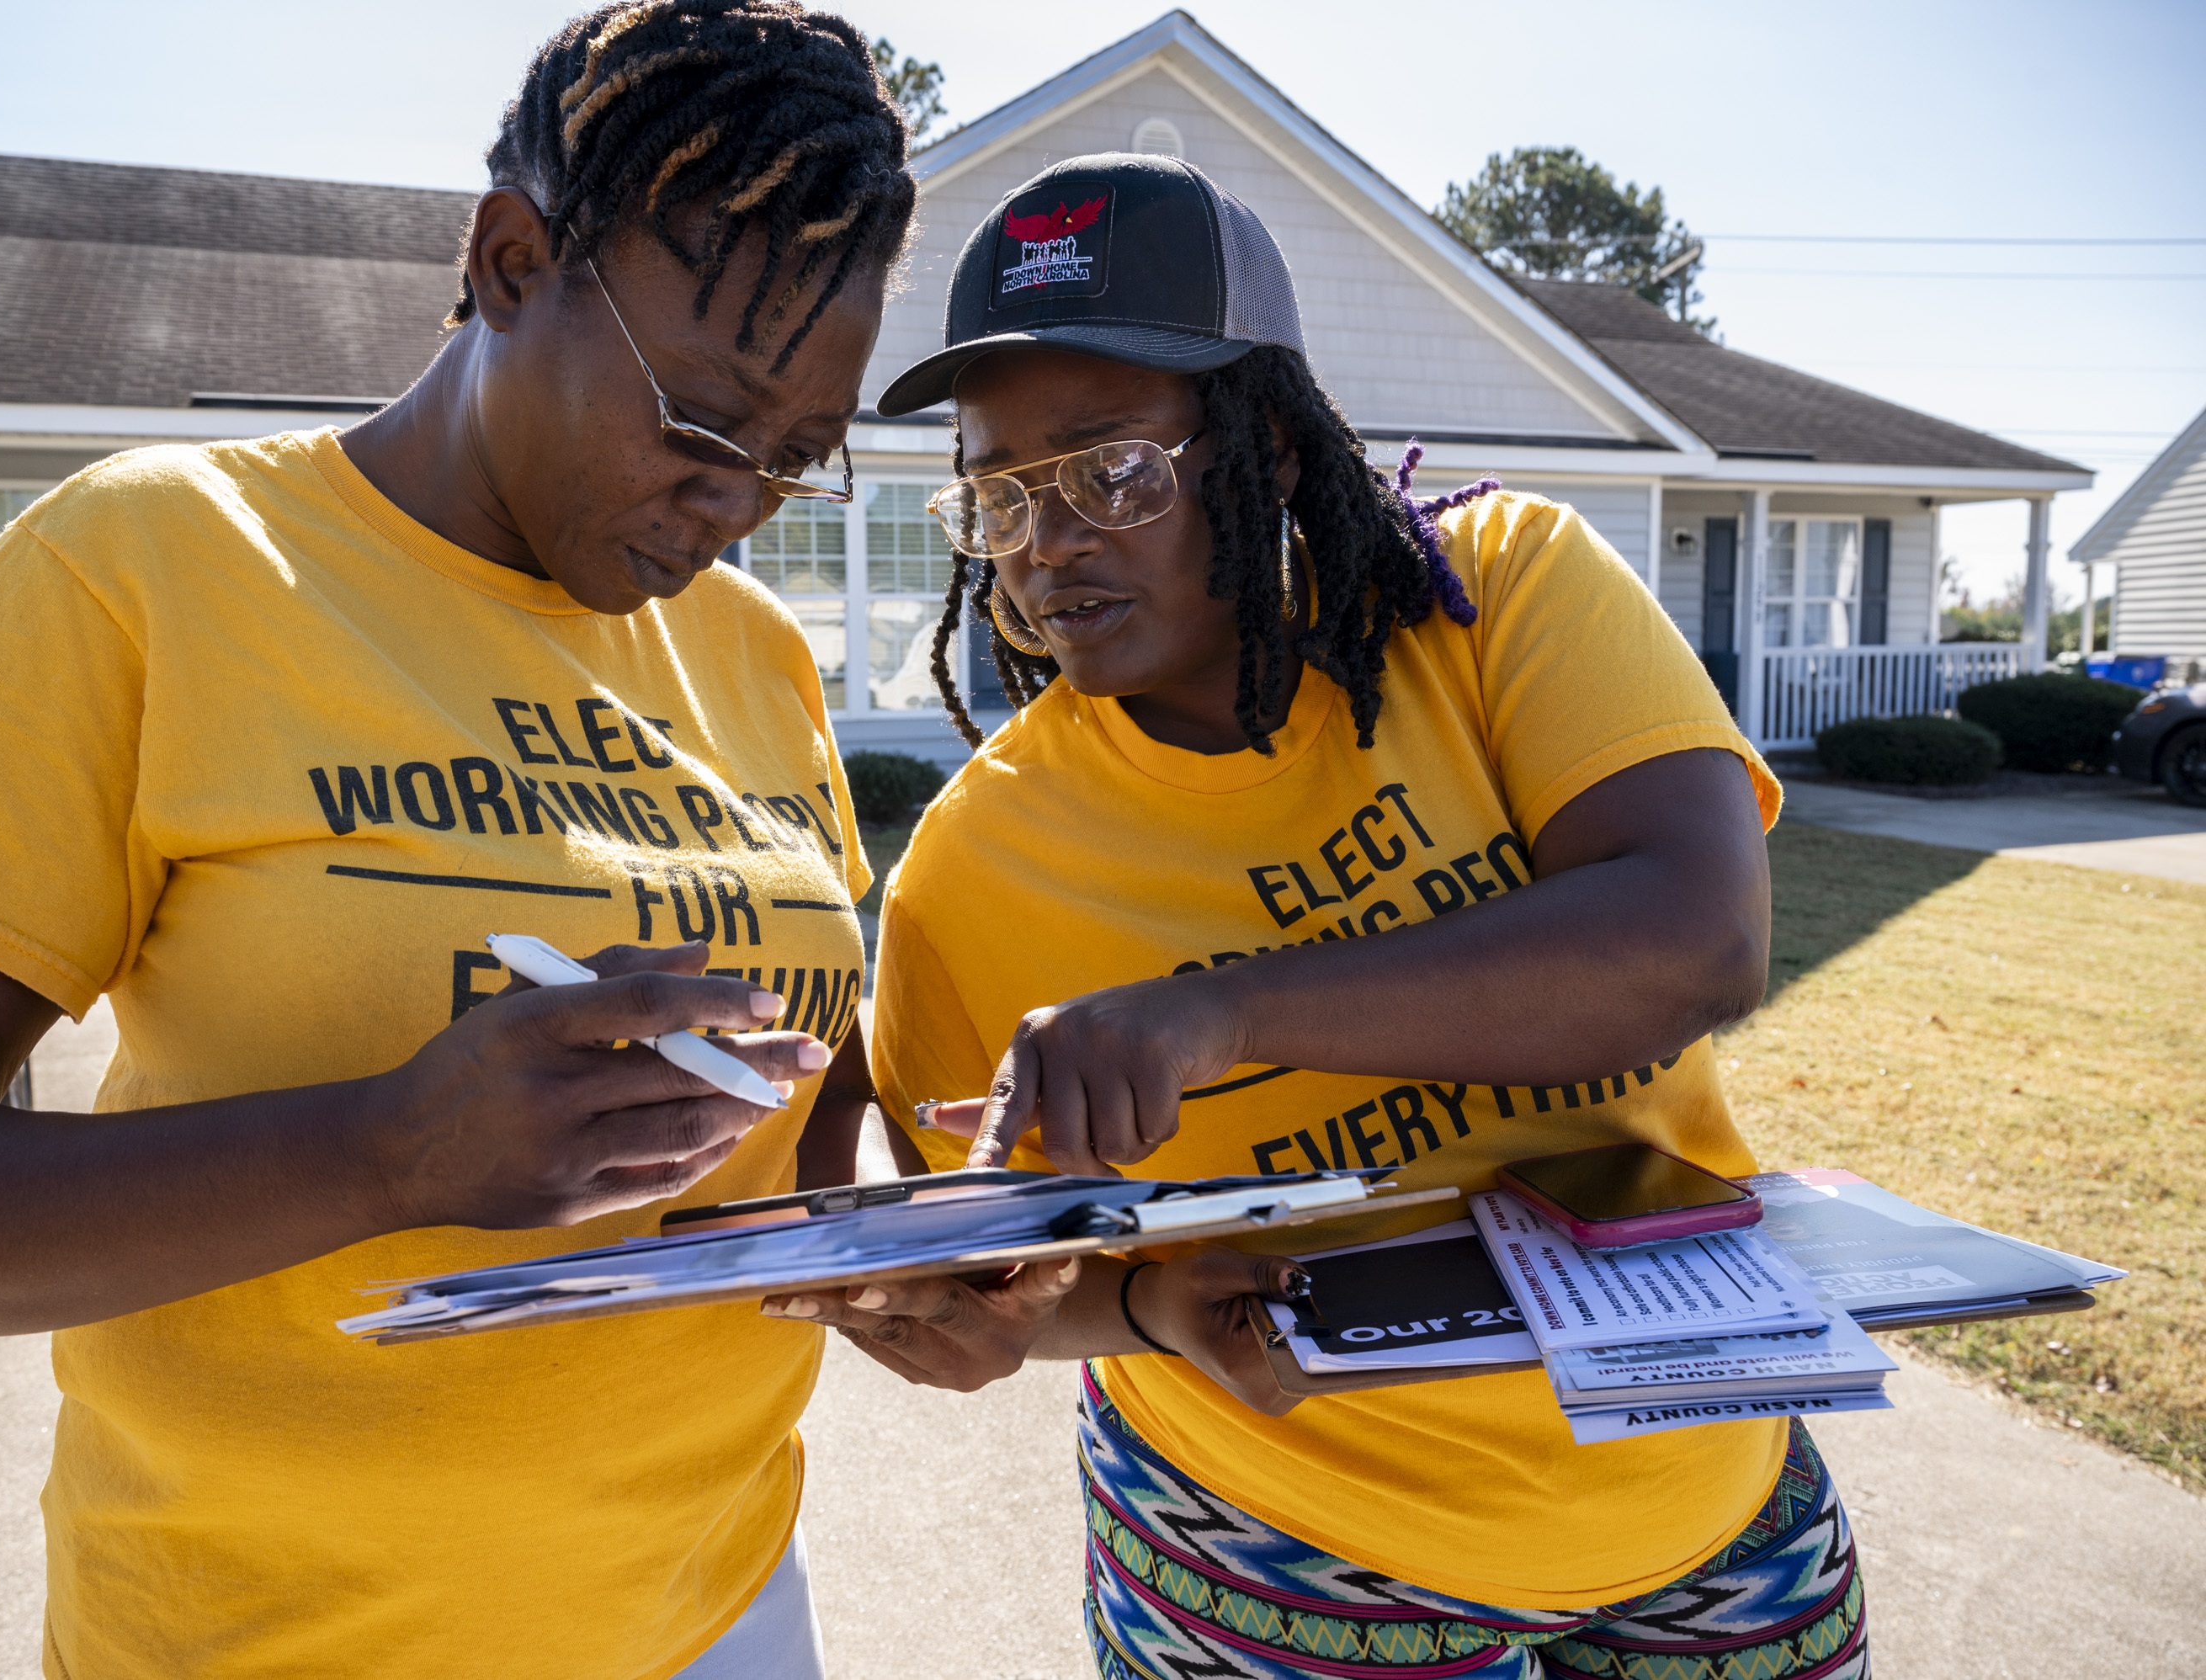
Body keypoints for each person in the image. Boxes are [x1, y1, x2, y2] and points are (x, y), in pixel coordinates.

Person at [0, 5, 917, 1675]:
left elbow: (795, 1107)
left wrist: (912, 1247)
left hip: (722, 1608)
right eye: (706, 421)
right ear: (508, 261)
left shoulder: (758, 649)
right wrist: (386, 1152)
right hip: (270, 1633)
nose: (739, 499)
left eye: (800, 457)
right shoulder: (149, 569)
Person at [769, 156, 1869, 1679]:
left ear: (1271, 446)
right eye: (999, 495)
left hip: (1700, 1470)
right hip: (1281, 1547)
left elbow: (1694, 941)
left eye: (1109, 473)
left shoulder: (1494, 595)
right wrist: (1004, 1305)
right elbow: (977, 1238)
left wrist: (1221, 1013)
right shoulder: (977, 859)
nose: (1044, 543)